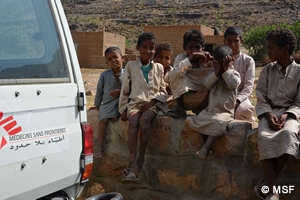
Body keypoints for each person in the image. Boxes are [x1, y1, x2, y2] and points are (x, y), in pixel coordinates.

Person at [254, 29, 300, 200]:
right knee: (265, 136)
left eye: (271, 48)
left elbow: (299, 103)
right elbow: (261, 98)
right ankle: (273, 192)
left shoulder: (299, 71)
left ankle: (267, 186)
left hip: (291, 114)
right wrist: (268, 115)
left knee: (289, 134)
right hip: (269, 112)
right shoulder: (267, 71)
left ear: (285, 48)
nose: (268, 52)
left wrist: (287, 115)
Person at [119, 32, 167, 182]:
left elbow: (163, 91)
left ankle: (140, 160)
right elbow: (125, 89)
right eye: (144, 47)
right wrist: (123, 109)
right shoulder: (131, 66)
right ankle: (132, 163)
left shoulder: (159, 67)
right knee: (133, 122)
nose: (148, 51)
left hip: (152, 105)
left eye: (152, 48)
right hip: (134, 103)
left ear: (155, 50)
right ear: (138, 48)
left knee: (145, 120)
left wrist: (153, 102)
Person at [188, 45, 241, 159]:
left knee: (218, 122)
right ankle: (204, 146)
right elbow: (206, 84)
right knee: (195, 120)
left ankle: (206, 148)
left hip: (224, 113)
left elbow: (232, 83)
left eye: (224, 63)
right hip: (211, 111)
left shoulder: (234, 74)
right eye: (219, 64)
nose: (222, 67)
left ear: (231, 61)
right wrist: (216, 72)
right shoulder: (213, 74)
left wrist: (226, 70)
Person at [167, 29, 212, 118]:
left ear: (203, 48)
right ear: (185, 48)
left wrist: (210, 59)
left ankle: (203, 108)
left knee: (214, 75)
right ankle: (179, 107)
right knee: (173, 74)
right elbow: (179, 72)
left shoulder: (205, 59)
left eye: (197, 48)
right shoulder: (181, 58)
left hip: (200, 96)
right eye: (190, 48)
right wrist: (191, 58)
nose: (194, 51)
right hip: (184, 98)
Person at [89, 46, 124, 158]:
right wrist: (97, 105)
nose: (113, 60)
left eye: (115, 57)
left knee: (123, 110)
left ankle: (114, 115)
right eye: (109, 59)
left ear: (122, 58)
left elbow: (132, 88)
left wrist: (121, 91)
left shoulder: (128, 73)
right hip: (108, 103)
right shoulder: (104, 75)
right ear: (106, 62)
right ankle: (100, 146)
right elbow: (99, 90)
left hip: (122, 101)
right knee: (103, 117)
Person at [224, 26, 256, 122]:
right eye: (229, 41)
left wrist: (237, 101)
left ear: (241, 42)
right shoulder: (220, 59)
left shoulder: (248, 61)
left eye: (236, 41)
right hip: (223, 96)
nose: (232, 44)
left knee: (244, 110)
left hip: (241, 97)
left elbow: (248, 87)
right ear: (224, 42)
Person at [153, 42, 175, 110]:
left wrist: (166, 85)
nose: (163, 60)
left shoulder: (172, 72)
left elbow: (176, 87)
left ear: (170, 60)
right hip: (152, 97)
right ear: (154, 57)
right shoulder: (150, 69)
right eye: (160, 57)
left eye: (167, 58)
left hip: (166, 98)